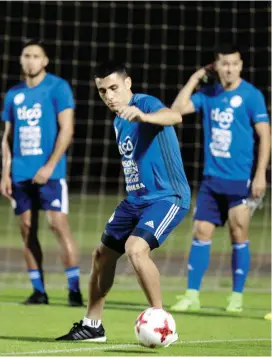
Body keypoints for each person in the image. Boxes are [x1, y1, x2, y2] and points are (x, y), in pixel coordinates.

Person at [56, 60, 191, 342]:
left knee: (135, 248)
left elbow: (174, 116)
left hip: (168, 197)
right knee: (101, 255)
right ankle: (93, 326)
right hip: (136, 199)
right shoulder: (119, 120)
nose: (109, 96)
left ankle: (161, 323)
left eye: (114, 88)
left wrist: (145, 117)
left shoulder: (145, 103)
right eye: (103, 91)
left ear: (128, 83)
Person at [169, 43, 270, 313]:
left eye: (234, 63)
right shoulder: (208, 93)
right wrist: (194, 78)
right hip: (211, 180)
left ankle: (236, 298)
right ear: (217, 66)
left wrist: (260, 174)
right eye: (224, 64)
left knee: (239, 234)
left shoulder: (251, 96)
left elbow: (265, 135)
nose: (229, 69)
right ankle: (192, 295)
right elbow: (176, 110)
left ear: (241, 65)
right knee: (200, 232)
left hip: (239, 180)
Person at [1, 39, 83, 306]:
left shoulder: (58, 87)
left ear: (45, 61)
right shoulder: (14, 94)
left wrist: (49, 166)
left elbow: (67, 130)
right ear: (21, 60)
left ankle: (74, 290)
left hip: (51, 173)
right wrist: (5, 173)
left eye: (36, 56)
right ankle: (39, 291)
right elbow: (7, 137)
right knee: (26, 229)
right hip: (20, 174)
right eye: (26, 55)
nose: (31, 60)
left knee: (58, 225)